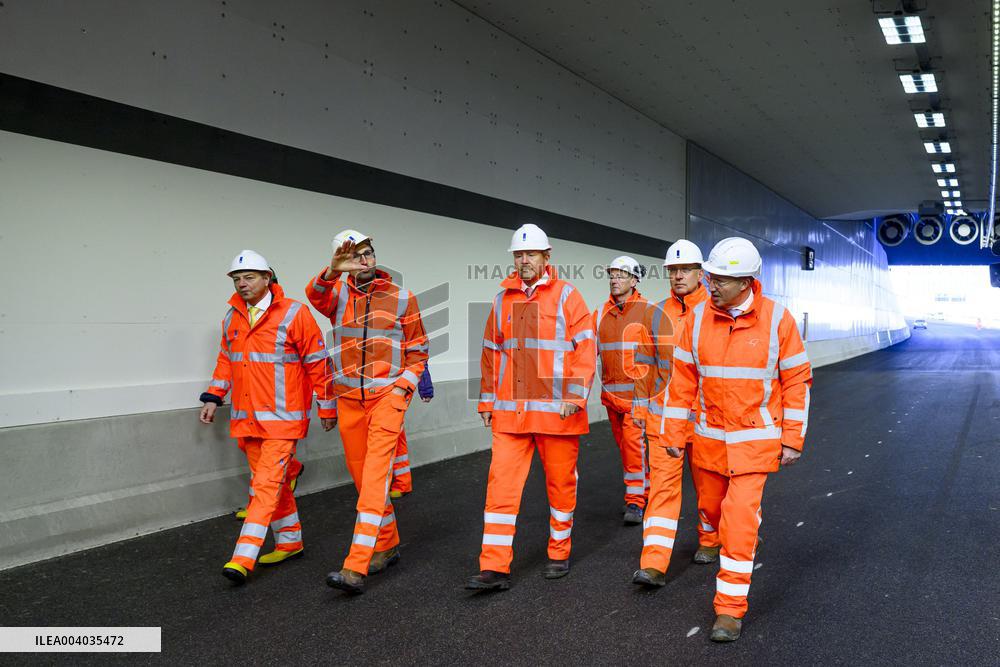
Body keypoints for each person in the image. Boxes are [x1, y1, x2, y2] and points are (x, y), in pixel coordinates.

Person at [659, 237, 812, 641]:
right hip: (707, 444)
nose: (711, 284)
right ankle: (729, 535)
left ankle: (729, 610)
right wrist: (673, 432)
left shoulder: (778, 320)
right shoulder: (694, 322)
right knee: (712, 512)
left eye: (721, 279)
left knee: (740, 521)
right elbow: (681, 385)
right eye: (710, 276)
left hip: (753, 447)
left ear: (746, 282)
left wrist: (793, 437)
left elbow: (797, 381)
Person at [466, 223, 597, 591]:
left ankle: (559, 551)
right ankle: (494, 567)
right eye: (519, 255)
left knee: (560, 486)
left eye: (531, 254)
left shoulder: (567, 296)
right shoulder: (501, 299)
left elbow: (585, 349)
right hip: (511, 416)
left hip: (558, 413)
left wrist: (574, 396)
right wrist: (487, 399)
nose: (524, 260)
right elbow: (491, 353)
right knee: (500, 489)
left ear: (546, 257)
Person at [199, 249, 337, 585]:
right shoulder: (232, 317)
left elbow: (318, 363)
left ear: (267, 278)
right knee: (275, 487)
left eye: (249, 277)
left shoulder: (294, 314)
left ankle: (243, 557)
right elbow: (225, 360)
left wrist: (327, 405)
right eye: (237, 279)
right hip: (248, 421)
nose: (242, 284)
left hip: (282, 420)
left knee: (263, 487)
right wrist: (214, 396)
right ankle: (290, 542)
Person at [306, 229, 428, 595]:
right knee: (363, 481)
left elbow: (418, 350)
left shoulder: (401, 297)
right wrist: (331, 271)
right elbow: (316, 296)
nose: (364, 258)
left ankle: (355, 565)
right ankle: (387, 544)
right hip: (348, 403)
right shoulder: (337, 295)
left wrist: (402, 389)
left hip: (386, 399)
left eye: (368, 251)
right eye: (355, 254)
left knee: (376, 479)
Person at [631, 239, 709, 588]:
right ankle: (654, 563)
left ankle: (711, 539)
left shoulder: (715, 310)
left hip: (706, 421)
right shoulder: (656, 313)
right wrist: (639, 406)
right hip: (663, 421)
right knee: (662, 489)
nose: (678, 276)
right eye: (673, 270)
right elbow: (644, 365)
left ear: (700, 273)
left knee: (710, 489)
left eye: (685, 270)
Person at [593, 256, 650, 525]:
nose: (615, 279)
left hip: (636, 399)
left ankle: (636, 501)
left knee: (633, 448)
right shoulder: (600, 314)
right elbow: (586, 352)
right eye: (612, 274)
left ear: (634, 280)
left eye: (621, 275)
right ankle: (644, 491)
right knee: (627, 450)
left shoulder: (647, 312)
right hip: (611, 398)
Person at [389, 365, 434, 499]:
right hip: (380, 388)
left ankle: (399, 483)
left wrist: (425, 388)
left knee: (391, 429)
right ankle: (401, 482)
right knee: (395, 430)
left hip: (398, 387)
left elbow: (419, 358)